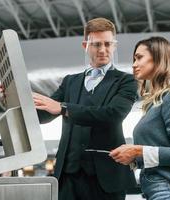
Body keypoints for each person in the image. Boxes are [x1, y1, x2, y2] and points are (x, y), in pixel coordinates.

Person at [32, 18, 137, 200]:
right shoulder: (70, 81)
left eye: (107, 44)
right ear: (85, 45)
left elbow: (113, 115)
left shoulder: (126, 81)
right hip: (68, 175)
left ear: (114, 45)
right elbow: (43, 116)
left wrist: (64, 108)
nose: (103, 50)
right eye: (96, 45)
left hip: (106, 178)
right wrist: (13, 99)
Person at [110, 36, 170, 200]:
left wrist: (138, 151)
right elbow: (162, 150)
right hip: (163, 191)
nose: (134, 64)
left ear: (159, 59)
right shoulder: (157, 103)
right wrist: (133, 158)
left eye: (139, 57)